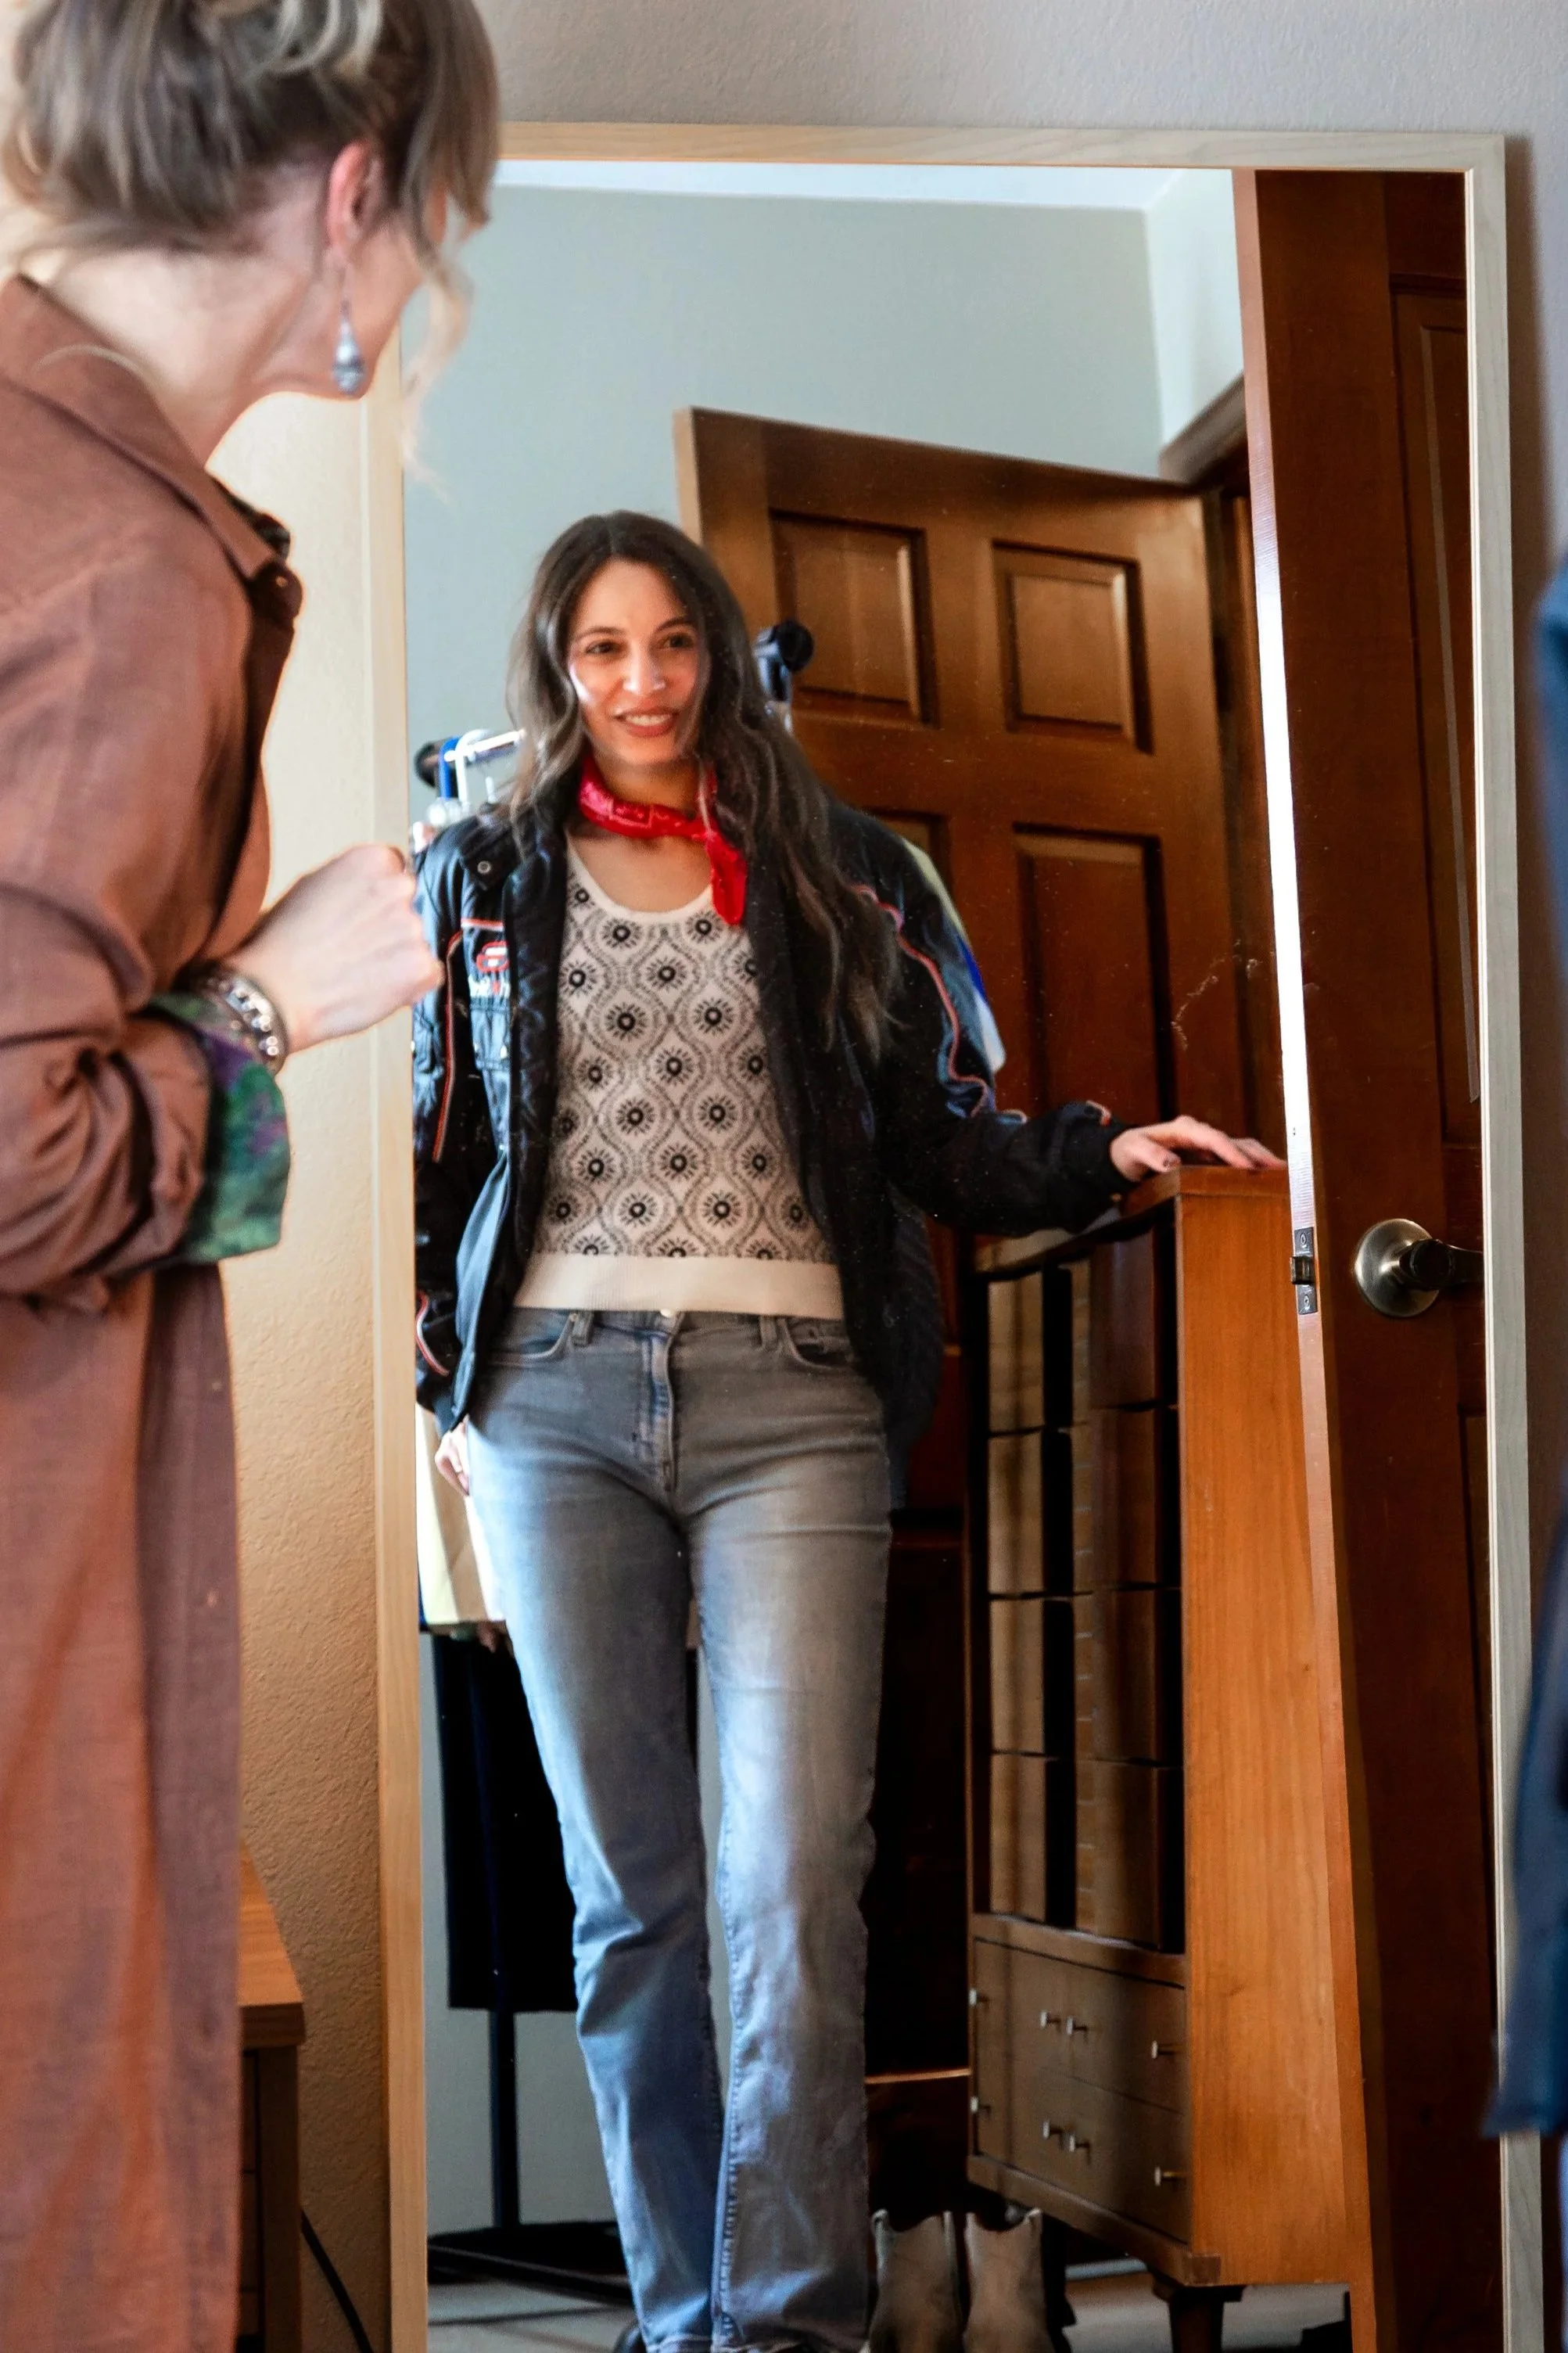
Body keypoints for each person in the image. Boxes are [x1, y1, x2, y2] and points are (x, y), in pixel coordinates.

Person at [413, 510, 1279, 2353]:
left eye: (672, 644)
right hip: (554, 1404)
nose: (641, 683)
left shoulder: (845, 866)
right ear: (558, 672)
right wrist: (447, 1396)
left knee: (797, 1881)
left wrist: (1097, 1148)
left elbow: (935, 1129)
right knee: (633, 1906)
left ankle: (793, 2325)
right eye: (600, 651)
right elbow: (447, 1159)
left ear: (724, 652)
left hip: (794, 1408)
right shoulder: (488, 874)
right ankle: (682, 2322)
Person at [0, 5, 497, 2349]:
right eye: (433, 225)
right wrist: (276, 1003)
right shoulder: (122, 561)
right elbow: (16, 1160)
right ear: (344, 191)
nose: (416, 290)